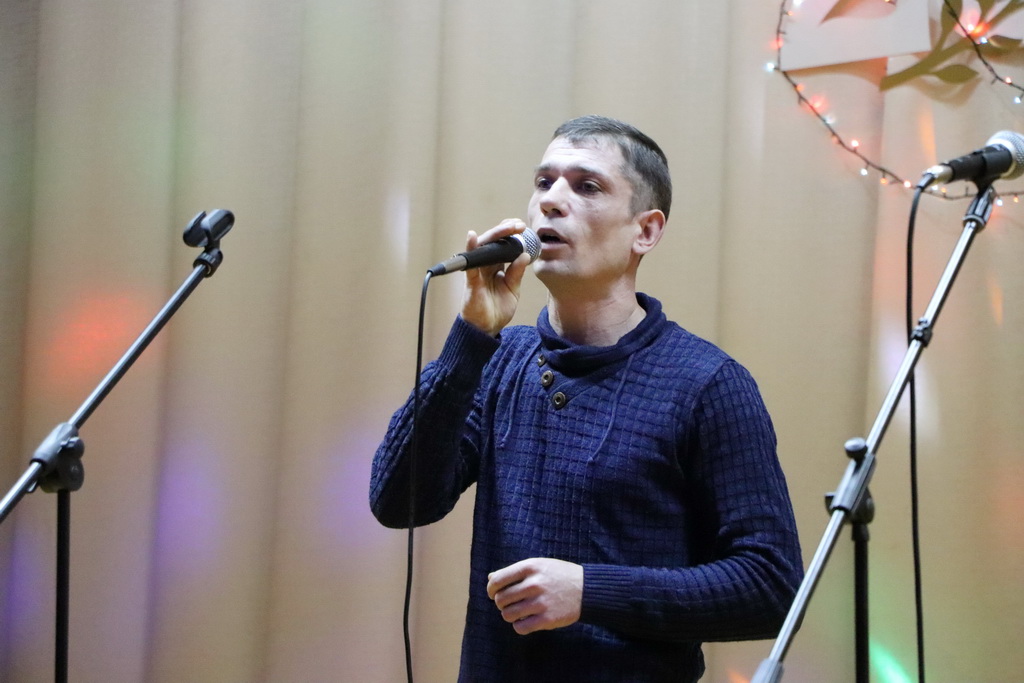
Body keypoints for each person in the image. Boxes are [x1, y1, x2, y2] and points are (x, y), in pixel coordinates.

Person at [369, 115, 803, 682]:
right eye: (543, 182)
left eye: (587, 186)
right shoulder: (499, 359)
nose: (552, 200)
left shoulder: (708, 384)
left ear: (645, 232)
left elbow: (771, 585)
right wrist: (471, 336)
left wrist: (590, 591)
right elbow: (397, 501)